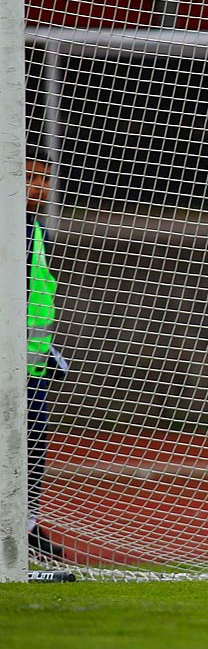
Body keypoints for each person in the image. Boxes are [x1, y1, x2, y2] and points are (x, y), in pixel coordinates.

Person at [25, 153, 69, 561]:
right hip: (11, 368)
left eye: (45, 178)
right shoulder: (13, 229)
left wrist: (46, 350)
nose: (43, 187)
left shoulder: (34, 228)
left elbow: (36, 296)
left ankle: (26, 528)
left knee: (33, 451)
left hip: (31, 367)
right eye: (35, 177)